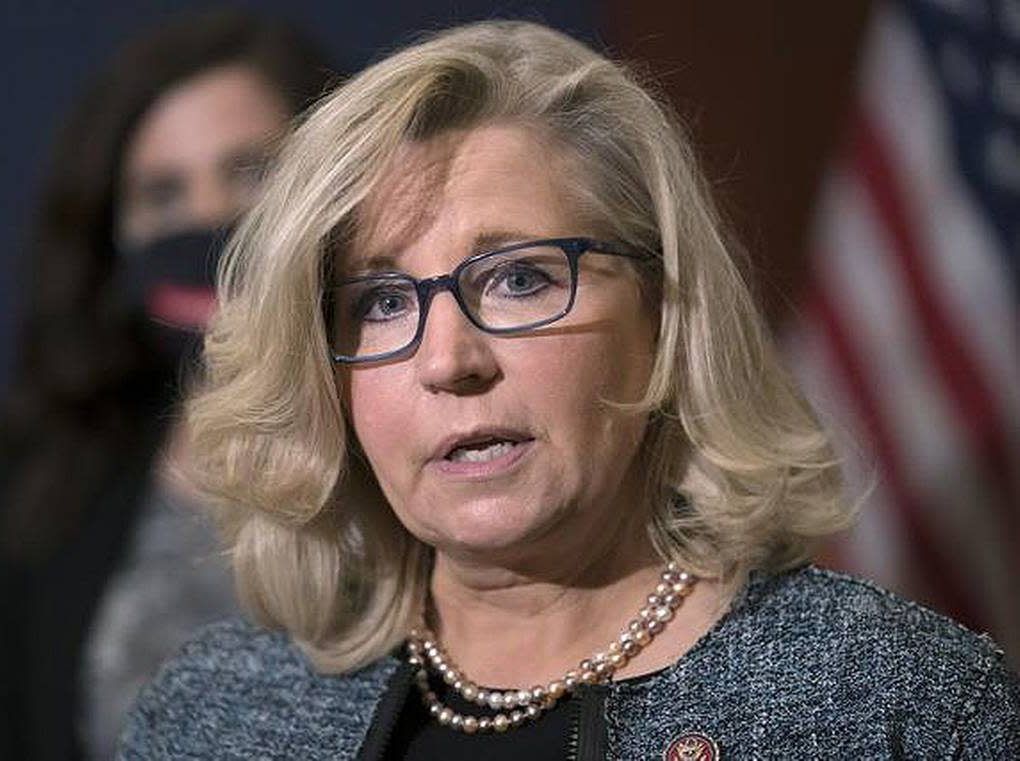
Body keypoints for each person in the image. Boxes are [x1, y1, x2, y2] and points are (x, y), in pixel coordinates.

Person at [118, 20, 1020, 759]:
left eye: (519, 279)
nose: (449, 360)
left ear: (662, 317)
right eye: (383, 303)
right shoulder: (217, 716)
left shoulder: (896, 704)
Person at [0, 9, 331, 761]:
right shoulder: (51, 471)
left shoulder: (410, 432)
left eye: (248, 172)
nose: (209, 219)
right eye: (164, 195)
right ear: (113, 230)